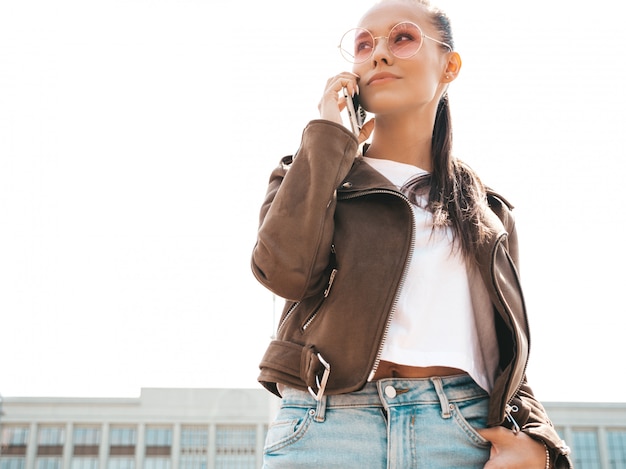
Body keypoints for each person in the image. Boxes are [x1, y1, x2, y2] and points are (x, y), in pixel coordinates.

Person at [250, 0, 573, 467]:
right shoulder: (308, 175)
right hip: (325, 428)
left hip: (461, 430)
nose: (378, 54)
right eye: (363, 45)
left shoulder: (490, 211)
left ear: (450, 65)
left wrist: (538, 443)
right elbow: (285, 274)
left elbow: (507, 353)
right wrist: (326, 134)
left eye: (402, 38)